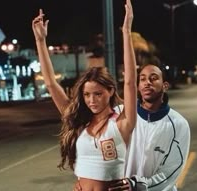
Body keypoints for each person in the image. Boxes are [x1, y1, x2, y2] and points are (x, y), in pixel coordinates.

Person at [31, 0, 137, 190]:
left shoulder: (121, 122)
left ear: (111, 91)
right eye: (87, 94)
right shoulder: (79, 121)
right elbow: (50, 84)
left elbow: (129, 82)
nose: (91, 100)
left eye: (98, 94)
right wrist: (40, 41)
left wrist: (126, 31)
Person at [107, 56, 191, 191]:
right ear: (138, 86)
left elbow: (172, 169)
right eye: (143, 79)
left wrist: (138, 185)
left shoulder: (178, 124)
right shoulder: (119, 114)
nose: (147, 83)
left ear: (165, 86)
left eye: (153, 78)